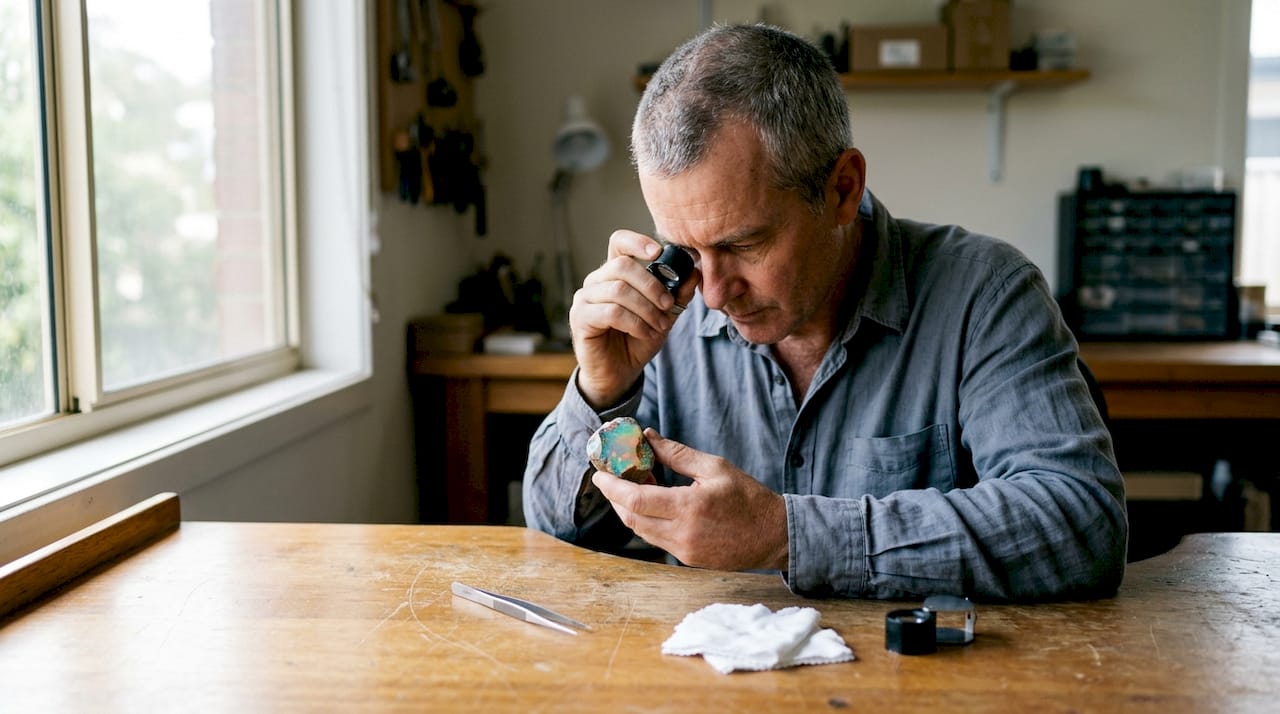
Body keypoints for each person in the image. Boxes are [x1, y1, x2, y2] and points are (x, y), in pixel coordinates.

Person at [523, 23, 1127, 601]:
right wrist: (604, 388)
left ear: (843, 188)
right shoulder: (661, 314)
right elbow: (557, 533)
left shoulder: (986, 295)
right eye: (687, 251)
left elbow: (1081, 523)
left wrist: (787, 534)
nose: (710, 294)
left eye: (742, 244)